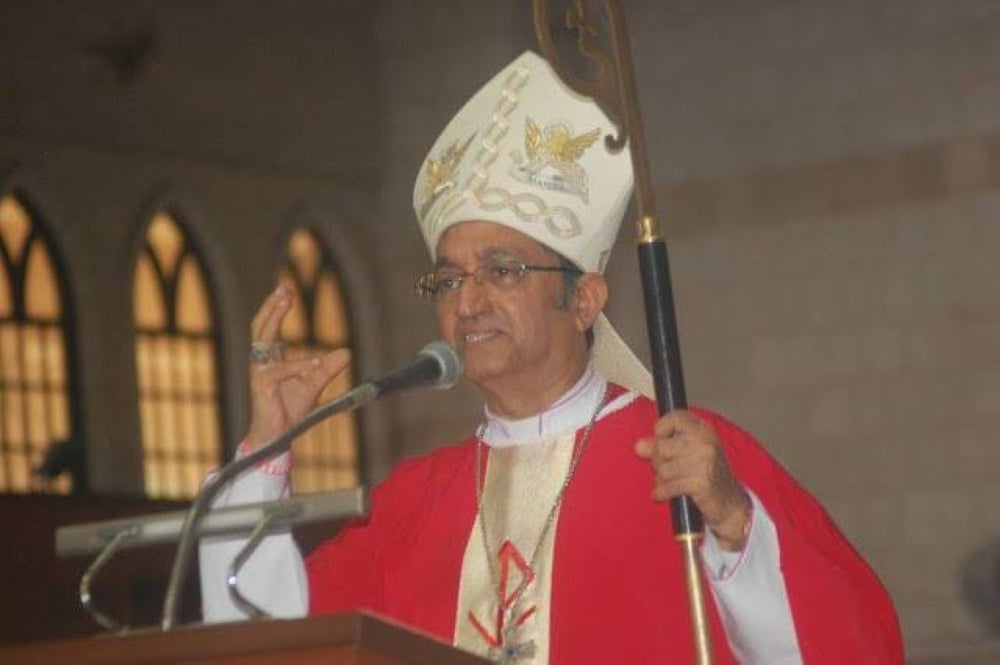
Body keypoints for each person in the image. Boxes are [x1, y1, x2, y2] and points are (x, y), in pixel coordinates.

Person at [200, 51, 903, 664]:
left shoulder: (683, 457)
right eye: (449, 279)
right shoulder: (411, 503)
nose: (468, 302)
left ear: (585, 299)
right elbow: (269, 646)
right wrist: (265, 453)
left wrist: (734, 528)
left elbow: (846, 643)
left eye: (502, 270)